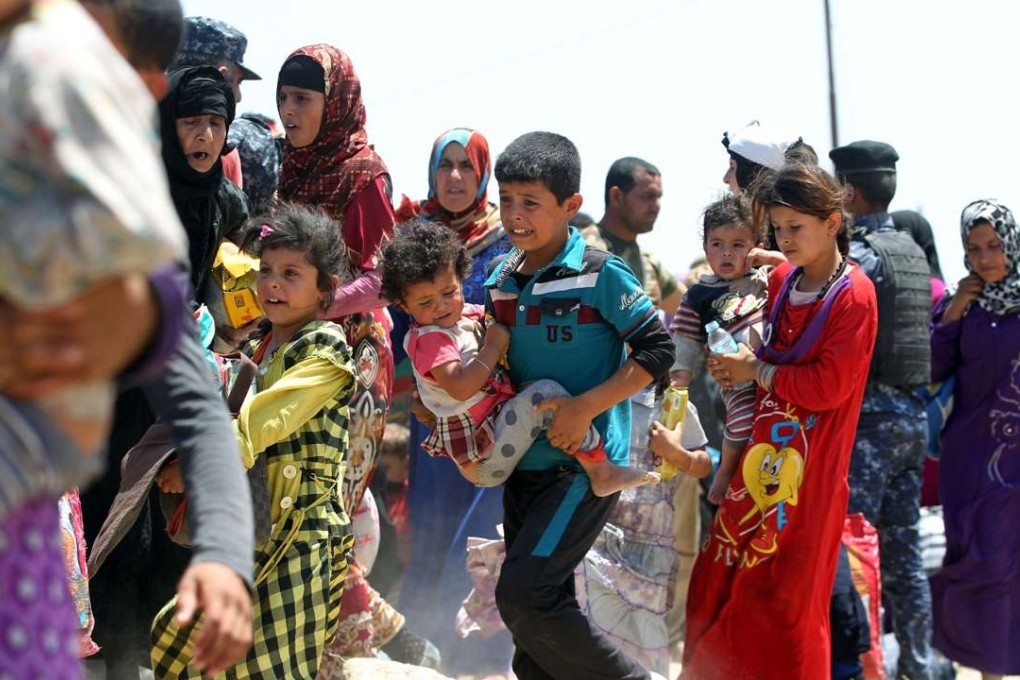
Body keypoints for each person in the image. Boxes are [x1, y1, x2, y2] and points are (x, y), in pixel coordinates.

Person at [72, 5, 256, 675]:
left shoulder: (211, 201)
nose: (205, 135)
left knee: (133, 536)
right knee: (95, 527)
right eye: (191, 121)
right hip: (105, 389)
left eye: (216, 123)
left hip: (156, 397)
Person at [485, 131, 675, 680]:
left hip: (580, 468)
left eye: (531, 203)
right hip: (524, 467)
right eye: (507, 201)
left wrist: (585, 407)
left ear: (570, 206)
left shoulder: (601, 272)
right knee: (530, 623)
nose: (515, 216)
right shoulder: (504, 279)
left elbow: (657, 347)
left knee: (526, 596)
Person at [683, 162, 878, 679]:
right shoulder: (784, 279)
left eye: (796, 228)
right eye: (778, 228)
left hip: (805, 482)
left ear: (833, 222)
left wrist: (756, 370)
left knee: (783, 609)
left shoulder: (854, 296)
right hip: (758, 467)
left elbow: (828, 388)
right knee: (718, 587)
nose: (784, 239)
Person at [276, 45, 435, 668]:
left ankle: (336, 652)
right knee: (293, 507)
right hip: (292, 351)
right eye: (285, 98)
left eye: (304, 99)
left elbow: (382, 279)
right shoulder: (290, 167)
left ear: (333, 103)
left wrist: (315, 307)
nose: (290, 111)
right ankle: (394, 636)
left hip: (352, 360)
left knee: (324, 509)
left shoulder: (364, 174)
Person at [151, 204, 357, 679]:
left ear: (326, 288)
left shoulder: (325, 347)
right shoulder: (262, 347)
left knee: (273, 666)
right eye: (265, 271)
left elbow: (261, 421)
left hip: (301, 539)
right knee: (186, 644)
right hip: (258, 530)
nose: (273, 285)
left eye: (291, 273)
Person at [382, 218, 658, 495]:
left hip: (494, 435)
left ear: (460, 280)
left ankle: (501, 540)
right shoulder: (430, 338)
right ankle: (601, 471)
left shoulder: (463, 316)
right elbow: (461, 388)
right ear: (403, 305)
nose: (441, 306)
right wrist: (492, 347)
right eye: (426, 302)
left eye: (449, 292)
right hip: (483, 457)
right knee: (546, 394)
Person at [392, 127, 514, 676]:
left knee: (485, 529)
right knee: (435, 525)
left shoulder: (507, 240)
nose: (456, 178)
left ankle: (481, 651)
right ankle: (431, 645)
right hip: (435, 416)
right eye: (446, 166)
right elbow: (400, 331)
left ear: (484, 172)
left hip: (491, 420)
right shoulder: (415, 241)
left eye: (468, 166)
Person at [830, 139, 934, 680]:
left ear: (847, 189)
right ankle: (917, 667)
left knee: (854, 550)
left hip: (869, 425)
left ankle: (867, 667)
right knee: (906, 560)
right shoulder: (914, 248)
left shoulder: (864, 254)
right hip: (912, 421)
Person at [930, 199, 1020, 679]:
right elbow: (932, 366)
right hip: (970, 459)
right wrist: (957, 308)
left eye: (994, 247)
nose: (986, 259)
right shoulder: (959, 305)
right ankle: (990, 671)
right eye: (975, 249)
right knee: (980, 563)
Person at [670, 193, 767, 505]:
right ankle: (725, 471)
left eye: (738, 245)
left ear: (756, 246)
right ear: (705, 247)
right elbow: (684, 342)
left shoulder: (767, 280)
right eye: (717, 244)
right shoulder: (698, 295)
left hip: (776, 378)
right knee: (739, 426)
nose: (727, 253)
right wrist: (679, 384)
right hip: (737, 385)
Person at [582, 157, 682, 315]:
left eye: (658, 197)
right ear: (616, 196)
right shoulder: (585, 250)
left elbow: (688, 309)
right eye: (648, 196)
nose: (656, 206)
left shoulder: (648, 262)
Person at [170, 16, 262, 188]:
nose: (239, 96)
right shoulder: (222, 154)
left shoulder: (126, 129)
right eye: (237, 82)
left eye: (214, 123)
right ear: (221, 77)